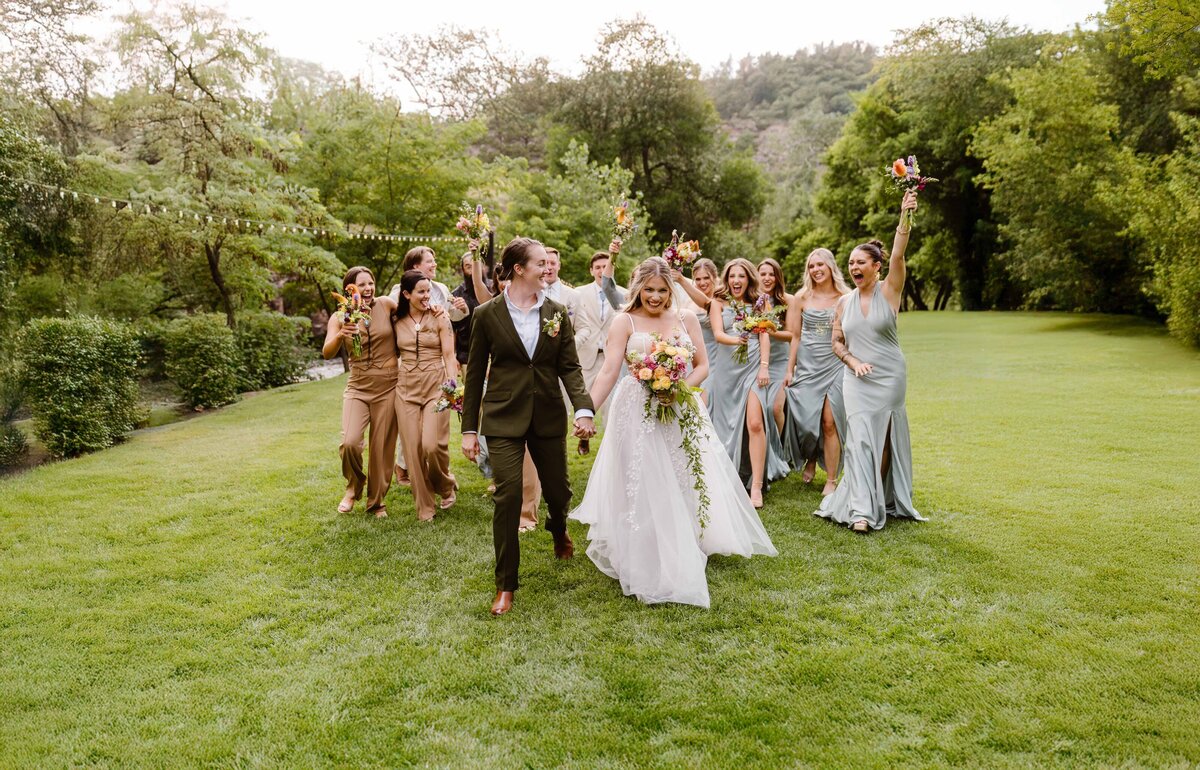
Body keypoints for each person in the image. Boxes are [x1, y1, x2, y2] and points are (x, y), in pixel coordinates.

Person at [570, 257, 776, 608]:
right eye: (649, 290)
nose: (655, 297)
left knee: (681, 472)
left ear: (671, 289)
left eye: (662, 290)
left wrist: (677, 389)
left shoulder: (684, 318)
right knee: (643, 476)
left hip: (680, 406)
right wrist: (586, 411)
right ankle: (644, 545)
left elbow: (703, 366)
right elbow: (608, 371)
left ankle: (685, 537)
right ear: (638, 289)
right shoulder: (624, 321)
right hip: (634, 408)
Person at [461, 237, 596, 616]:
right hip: (503, 417)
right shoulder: (486, 315)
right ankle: (506, 584)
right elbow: (473, 378)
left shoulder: (555, 312)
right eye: (540, 263)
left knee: (559, 490)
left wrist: (583, 408)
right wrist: (469, 429)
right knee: (508, 495)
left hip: (547, 413)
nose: (547, 268)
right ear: (519, 269)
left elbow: (569, 366)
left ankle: (558, 528)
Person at [816, 190, 926, 532]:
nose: (853, 267)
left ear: (876, 267)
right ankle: (862, 510)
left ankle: (883, 497)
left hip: (890, 376)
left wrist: (905, 216)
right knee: (861, 437)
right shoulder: (844, 302)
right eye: (850, 263)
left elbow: (898, 254)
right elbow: (836, 342)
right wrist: (852, 362)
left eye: (860, 262)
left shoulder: (890, 290)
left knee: (885, 439)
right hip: (856, 380)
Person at [708, 258, 790, 508]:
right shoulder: (717, 301)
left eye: (741, 276)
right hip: (727, 370)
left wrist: (764, 366)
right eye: (732, 276)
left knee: (755, 423)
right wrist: (738, 339)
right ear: (727, 278)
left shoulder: (760, 302)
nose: (736, 281)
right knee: (726, 424)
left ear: (749, 279)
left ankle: (756, 485)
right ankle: (728, 474)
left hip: (753, 368)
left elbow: (764, 334)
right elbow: (718, 334)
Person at [321, 266, 399, 518]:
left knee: (380, 449)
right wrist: (341, 334)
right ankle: (354, 485)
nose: (367, 289)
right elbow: (327, 352)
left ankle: (376, 502)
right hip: (358, 387)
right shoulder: (339, 316)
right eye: (361, 285)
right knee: (350, 443)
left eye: (370, 283)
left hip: (388, 386)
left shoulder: (387, 305)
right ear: (349, 289)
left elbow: (413, 316)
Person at [783, 248, 851, 495]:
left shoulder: (846, 296)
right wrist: (790, 369)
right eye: (812, 266)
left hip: (835, 364)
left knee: (829, 421)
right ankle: (811, 457)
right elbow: (795, 336)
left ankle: (831, 479)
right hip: (808, 365)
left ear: (831, 266)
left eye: (820, 265)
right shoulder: (802, 297)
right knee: (807, 420)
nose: (816, 270)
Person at [393, 270, 458, 521]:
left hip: (436, 385)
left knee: (432, 445)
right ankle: (425, 507)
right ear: (407, 294)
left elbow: (449, 356)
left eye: (428, 290)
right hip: (406, 388)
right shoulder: (396, 319)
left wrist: (451, 387)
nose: (426, 296)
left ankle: (445, 485)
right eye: (421, 291)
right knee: (412, 449)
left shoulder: (440, 317)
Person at [574, 251, 627, 390]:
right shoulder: (578, 293)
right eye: (597, 267)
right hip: (586, 358)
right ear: (591, 271)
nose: (602, 271)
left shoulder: (625, 294)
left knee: (611, 406)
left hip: (613, 358)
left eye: (605, 266)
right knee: (583, 404)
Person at [671, 258, 719, 401]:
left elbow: (707, 303)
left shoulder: (719, 300)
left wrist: (681, 280)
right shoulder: (688, 303)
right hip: (693, 358)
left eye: (706, 278)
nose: (702, 283)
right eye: (698, 279)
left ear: (715, 278)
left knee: (705, 400)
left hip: (715, 357)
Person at [757, 258, 794, 437]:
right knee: (759, 409)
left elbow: (793, 335)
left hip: (780, 362)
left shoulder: (787, 301)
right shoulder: (751, 301)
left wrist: (772, 331)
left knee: (775, 408)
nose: (767, 278)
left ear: (778, 277)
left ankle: (778, 449)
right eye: (763, 274)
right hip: (756, 362)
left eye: (771, 274)